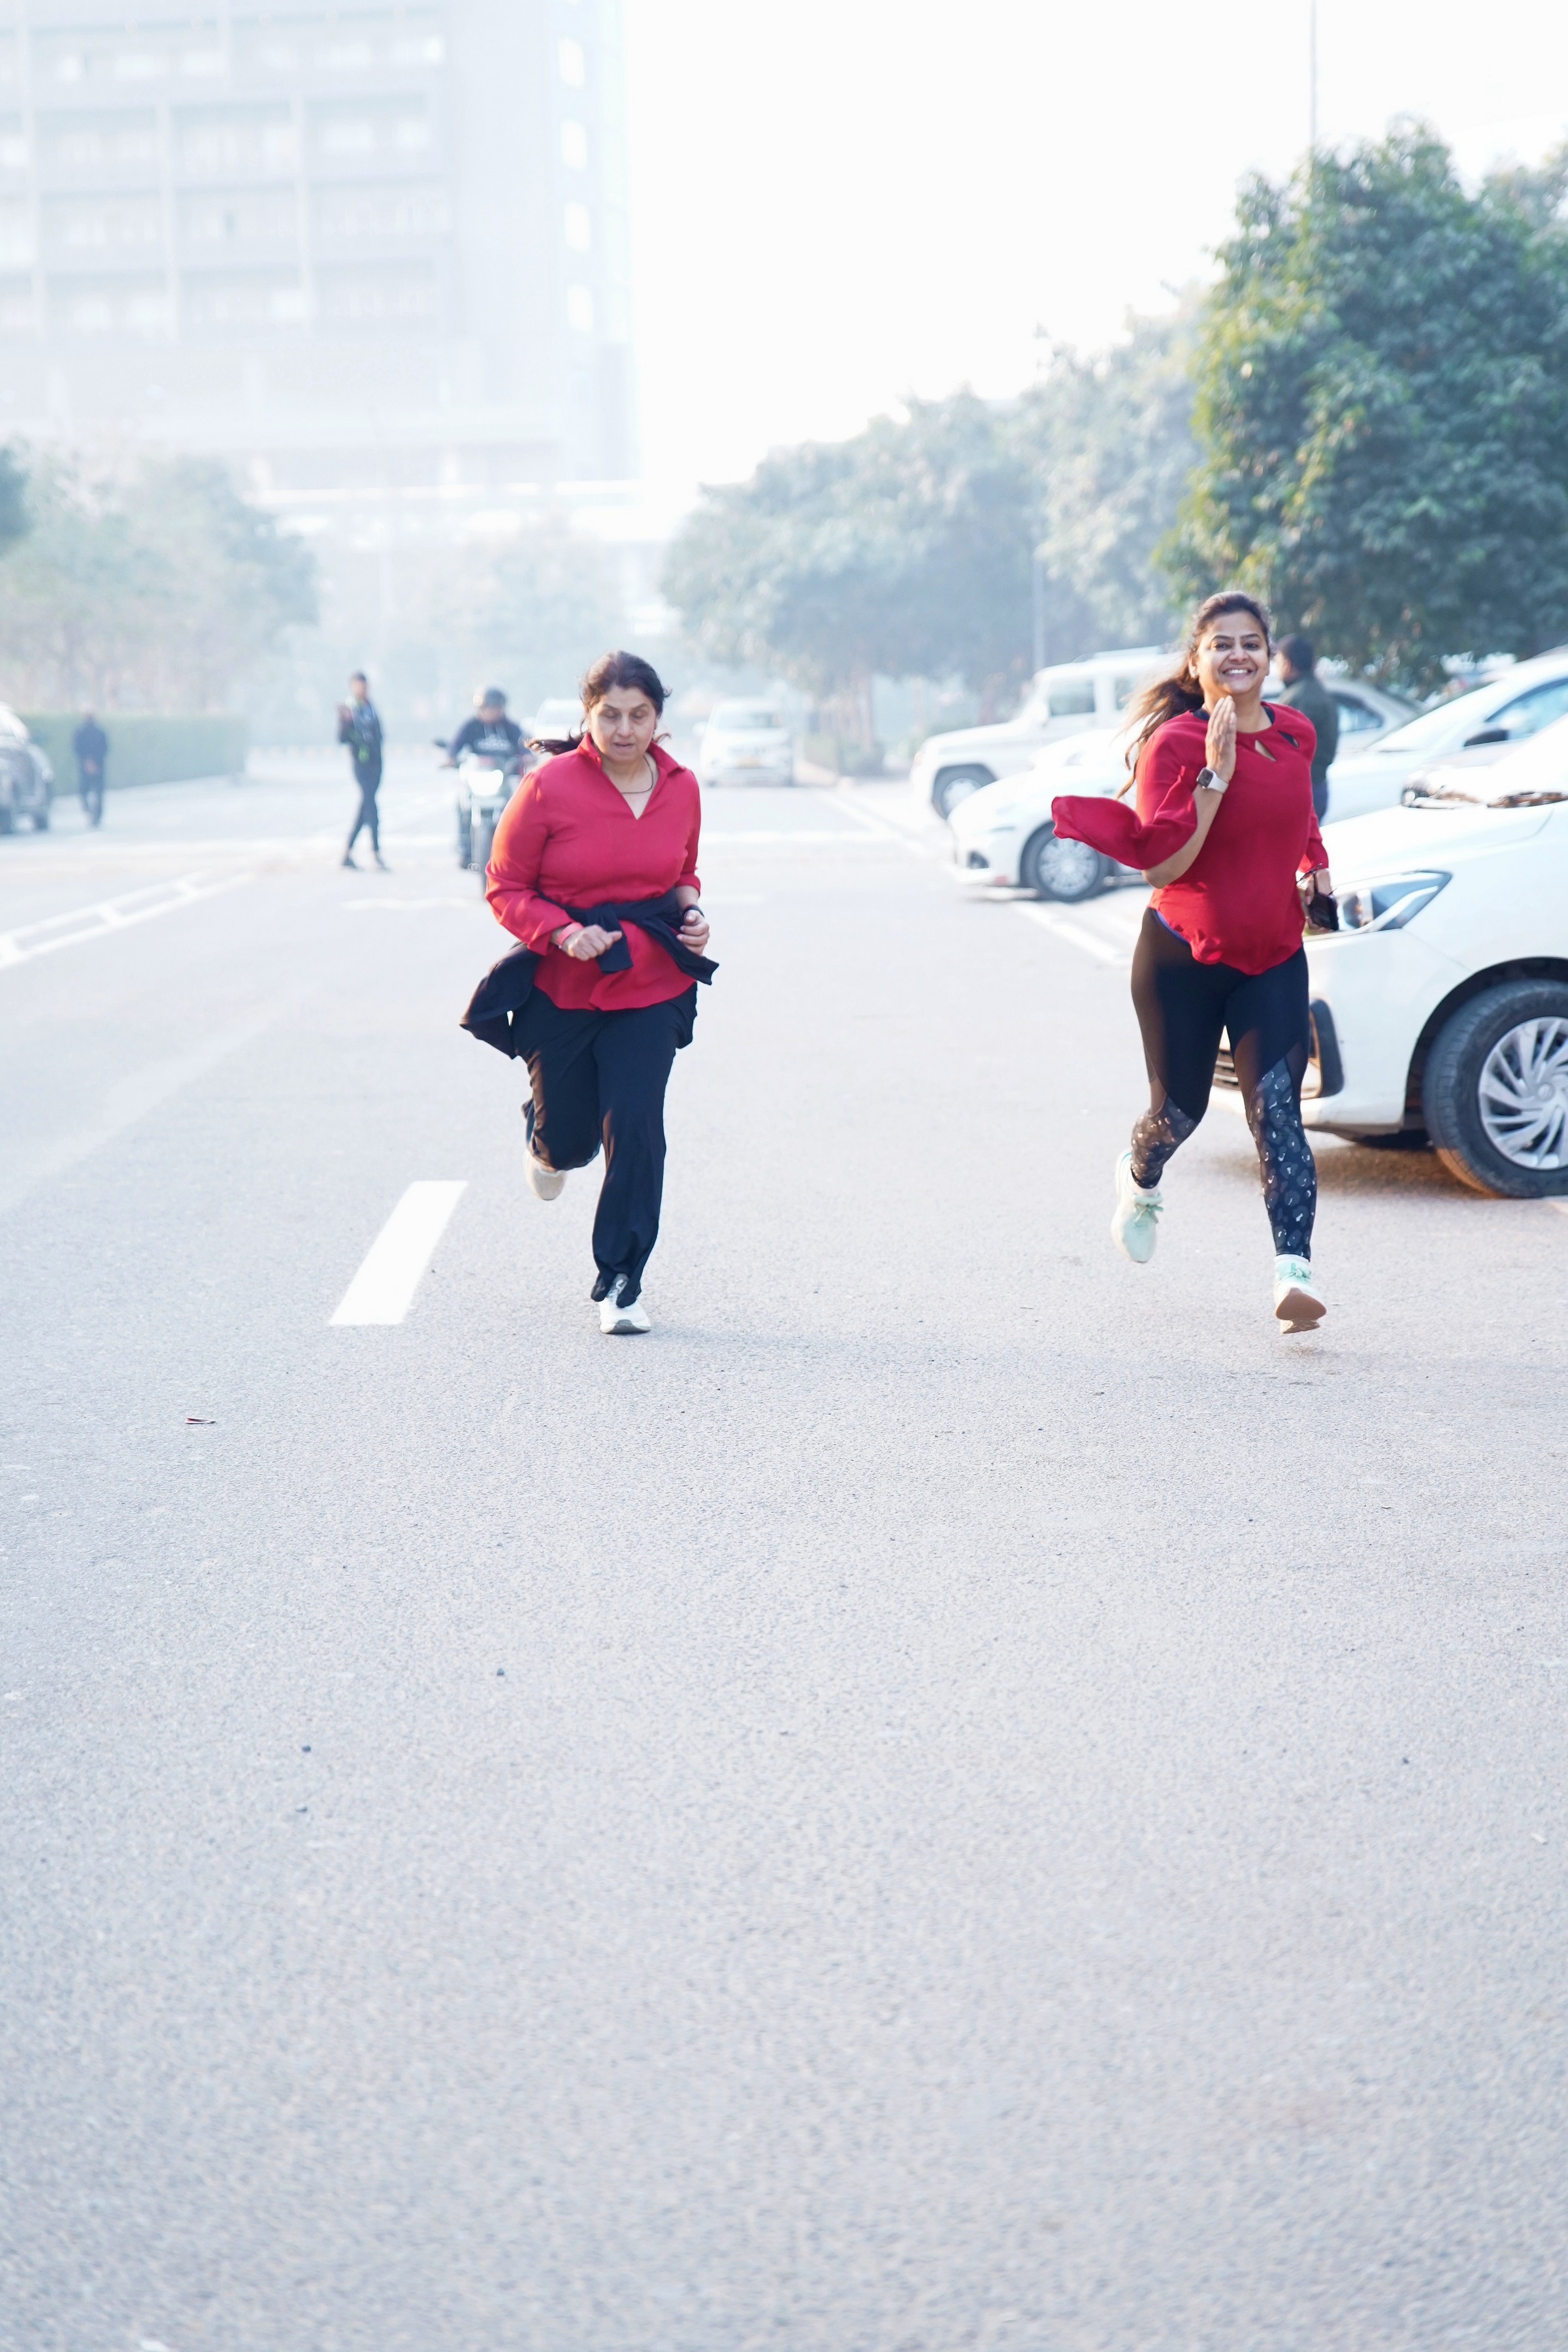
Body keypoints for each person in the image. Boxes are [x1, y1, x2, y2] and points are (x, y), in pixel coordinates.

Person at [1051, 591, 1336, 1333]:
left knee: (1278, 1113)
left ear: (1269, 655)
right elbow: (1162, 866)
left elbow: (1301, 814)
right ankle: (1139, 1176)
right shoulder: (1175, 746)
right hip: (1182, 960)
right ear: (1197, 660)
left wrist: (1316, 867)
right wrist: (1215, 775)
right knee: (1178, 1113)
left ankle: (1293, 1272)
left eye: (1251, 642)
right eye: (1222, 644)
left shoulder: (1297, 733)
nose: (1239, 654)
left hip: (1273, 956)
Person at [468, 651, 714, 1336]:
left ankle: (622, 1281)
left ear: (658, 718)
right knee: (571, 1145)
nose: (624, 730)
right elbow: (504, 885)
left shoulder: (682, 787)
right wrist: (564, 932)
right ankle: (543, 1139)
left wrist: (693, 913)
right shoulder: (548, 787)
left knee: (636, 1124)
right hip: (563, 987)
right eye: (610, 716)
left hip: (650, 981)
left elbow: (685, 871)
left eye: (639, 715)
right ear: (587, 715)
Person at [1275, 634, 1339, 820]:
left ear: (1287, 664)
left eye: (1278, 661)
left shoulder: (1299, 697)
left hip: (1302, 788)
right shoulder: (1316, 692)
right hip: (1316, 785)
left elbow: (1286, 749)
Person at [336, 672, 387, 870]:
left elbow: (380, 735)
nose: (362, 690)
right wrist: (347, 721)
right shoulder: (350, 709)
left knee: (366, 806)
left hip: (376, 763)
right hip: (361, 764)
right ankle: (376, 851)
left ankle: (348, 851)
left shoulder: (371, 708)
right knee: (371, 805)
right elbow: (342, 738)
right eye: (358, 686)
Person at [444, 687, 525, 769]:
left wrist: (527, 757)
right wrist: (451, 757)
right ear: (481, 708)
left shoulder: (511, 728)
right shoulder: (471, 726)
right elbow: (456, 744)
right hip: (476, 771)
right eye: (489, 708)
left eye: (496, 708)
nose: (492, 712)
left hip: (506, 772)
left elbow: (524, 746)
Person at [73, 711, 108, 827]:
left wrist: (88, 761)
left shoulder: (80, 732)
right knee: (96, 792)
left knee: (86, 791)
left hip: (87, 766)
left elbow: (77, 749)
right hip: (96, 766)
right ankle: (95, 814)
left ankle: (91, 813)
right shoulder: (100, 732)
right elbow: (105, 748)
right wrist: (94, 762)